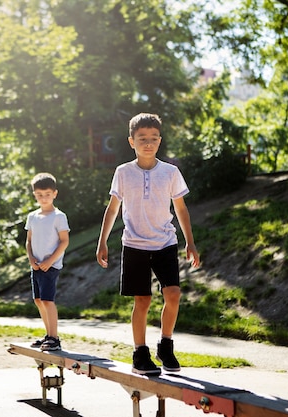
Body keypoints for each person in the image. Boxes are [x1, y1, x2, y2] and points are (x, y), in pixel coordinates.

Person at [96, 112, 201, 375]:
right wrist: (102, 242)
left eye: (153, 138)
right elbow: (112, 210)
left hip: (165, 242)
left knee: (173, 295)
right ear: (131, 141)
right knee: (142, 300)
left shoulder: (170, 172)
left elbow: (181, 209)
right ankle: (139, 353)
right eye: (142, 138)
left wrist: (190, 242)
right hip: (134, 245)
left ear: (160, 141)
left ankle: (165, 346)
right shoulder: (123, 172)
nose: (148, 143)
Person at [25, 172, 70, 351]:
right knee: (38, 300)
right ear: (35, 195)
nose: (43, 198)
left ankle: (54, 338)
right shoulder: (32, 217)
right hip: (36, 266)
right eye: (39, 195)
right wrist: (31, 258)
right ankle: (47, 335)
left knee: (47, 300)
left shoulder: (59, 216)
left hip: (50, 267)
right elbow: (29, 240)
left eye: (47, 194)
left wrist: (50, 261)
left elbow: (64, 241)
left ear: (55, 194)